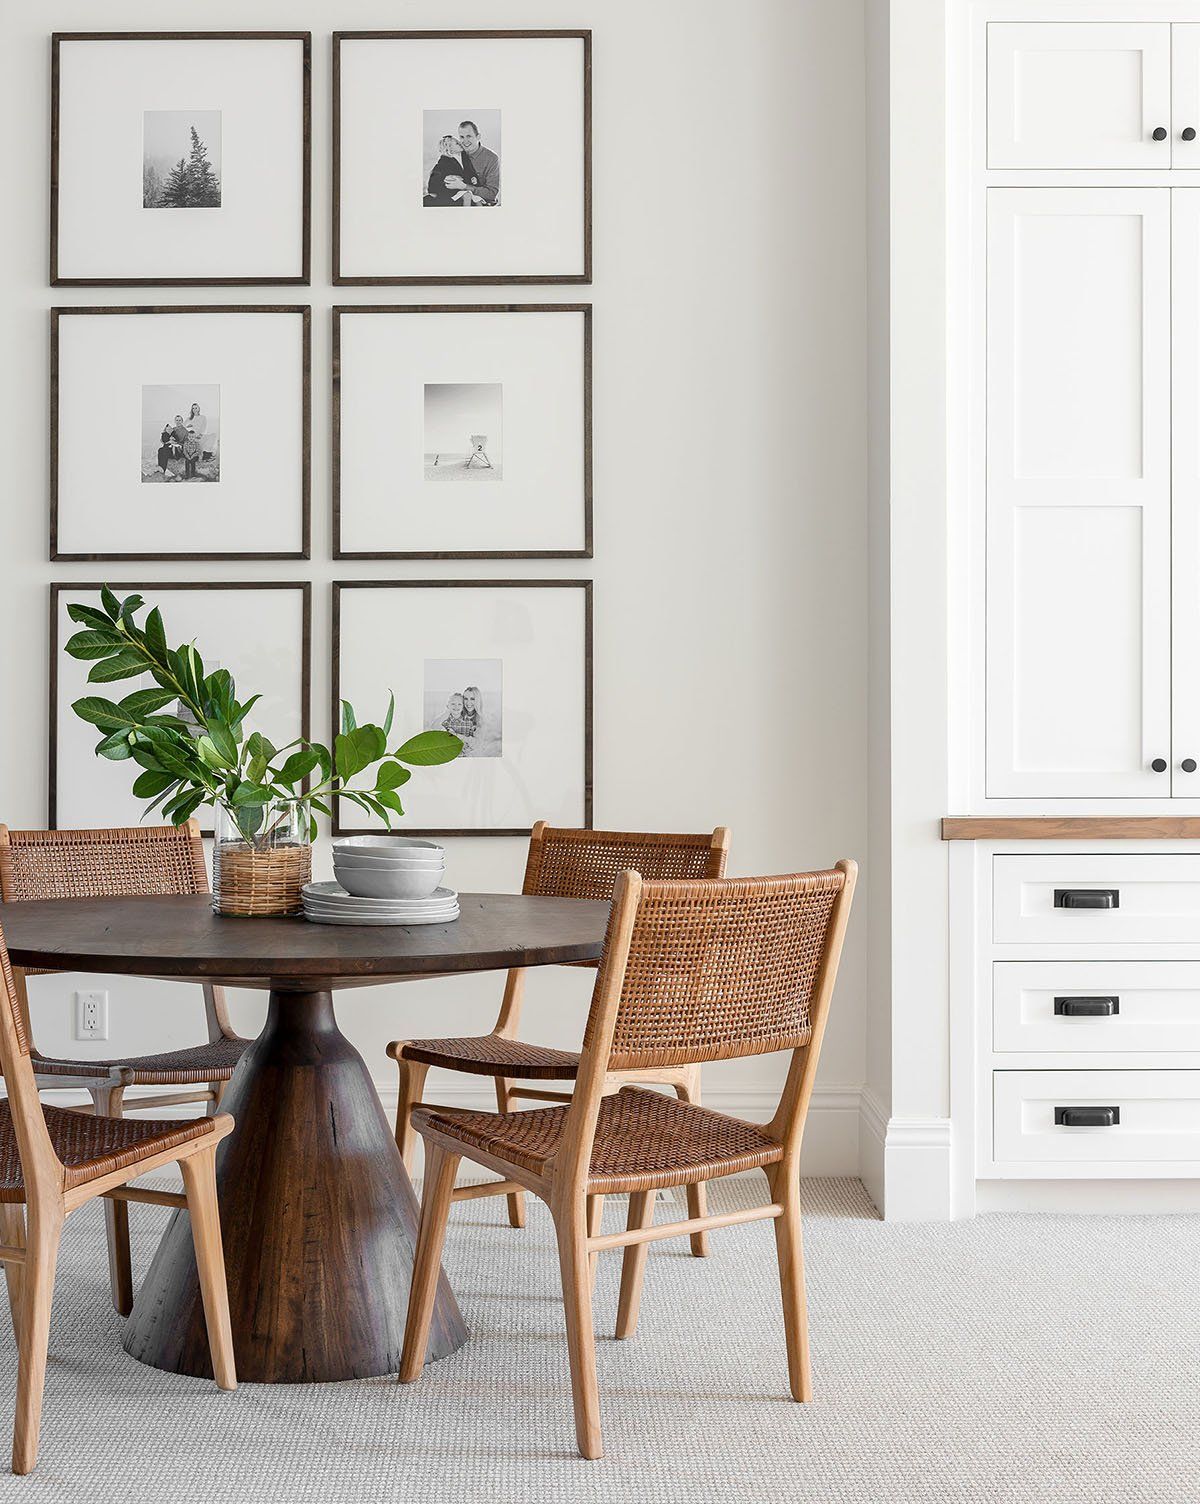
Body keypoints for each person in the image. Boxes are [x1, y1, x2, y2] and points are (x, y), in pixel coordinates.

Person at [443, 120, 499, 206]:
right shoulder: (455, 154)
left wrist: (464, 186)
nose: (465, 141)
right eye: (462, 137)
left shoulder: (491, 158)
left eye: (469, 136)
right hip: (456, 199)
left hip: (482, 202)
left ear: (478, 136)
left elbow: (492, 194)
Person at [425, 135, 466, 207]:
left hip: (447, 190)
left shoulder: (450, 160)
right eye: (457, 143)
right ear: (449, 148)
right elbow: (435, 182)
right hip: (443, 192)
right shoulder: (446, 162)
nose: (460, 143)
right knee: (467, 196)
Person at [183, 400, 208, 480]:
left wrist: (200, 435)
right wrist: (189, 427)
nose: (194, 409)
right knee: (188, 445)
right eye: (193, 408)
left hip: (199, 436)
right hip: (191, 435)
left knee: (198, 447)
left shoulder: (203, 417)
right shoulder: (190, 418)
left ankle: (199, 457)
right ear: (192, 410)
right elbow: (184, 426)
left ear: (198, 409)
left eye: (196, 408)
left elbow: (204, 427)